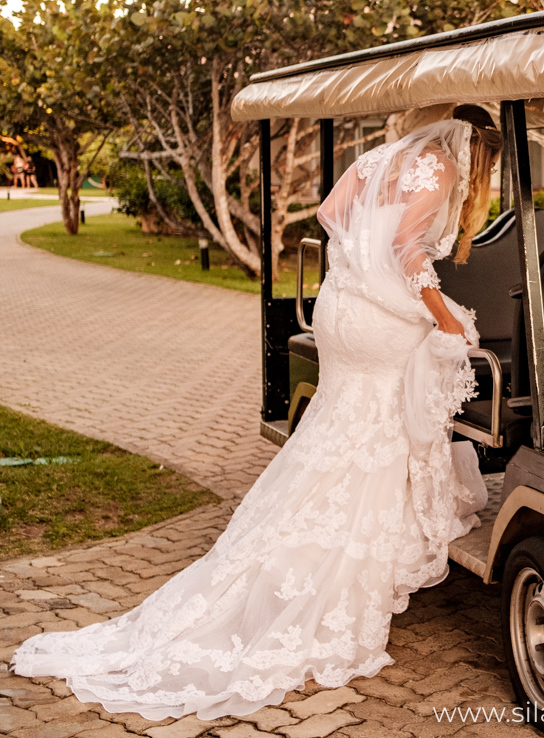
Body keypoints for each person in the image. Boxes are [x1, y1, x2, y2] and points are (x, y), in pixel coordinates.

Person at [11, 105, 504, 719]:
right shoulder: (443, 169)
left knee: (337, 424)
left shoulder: (386, 158)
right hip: (376, 321)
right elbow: (409, 253)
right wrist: (444, 315)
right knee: (420, 376)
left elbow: (331, 215)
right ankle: (341, 562)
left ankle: (281, 550)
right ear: (476, 147)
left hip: (338, 310)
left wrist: (358, 267)